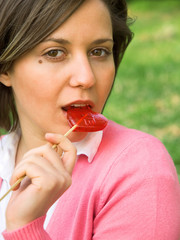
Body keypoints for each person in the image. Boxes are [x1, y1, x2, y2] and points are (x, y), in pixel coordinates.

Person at [0, 0, 180, 239]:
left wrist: (26, 226)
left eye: (99, 52)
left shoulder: (140, 169)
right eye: (55, 53)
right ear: (5, 67)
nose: (86, 78)